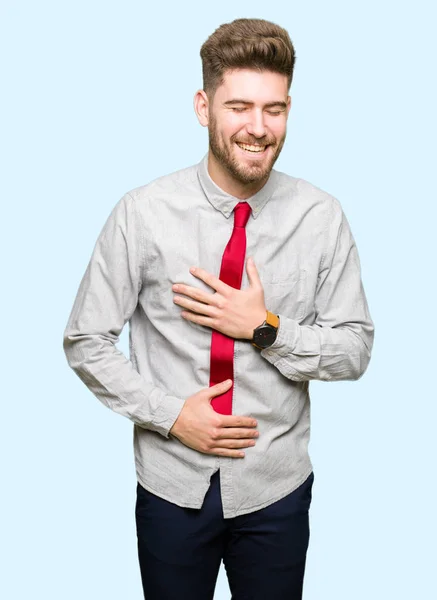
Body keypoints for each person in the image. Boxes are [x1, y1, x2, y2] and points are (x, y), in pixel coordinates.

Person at [63, 17, 374, 600]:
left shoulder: (321, 217)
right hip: (171, 485)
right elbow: (86, 340)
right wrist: (171, 415)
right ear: (204, 106)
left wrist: (264, 328)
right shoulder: (142, 214)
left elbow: (355, 349)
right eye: (239, 107)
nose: (258, 128)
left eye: (274, 109)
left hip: (276, 489)